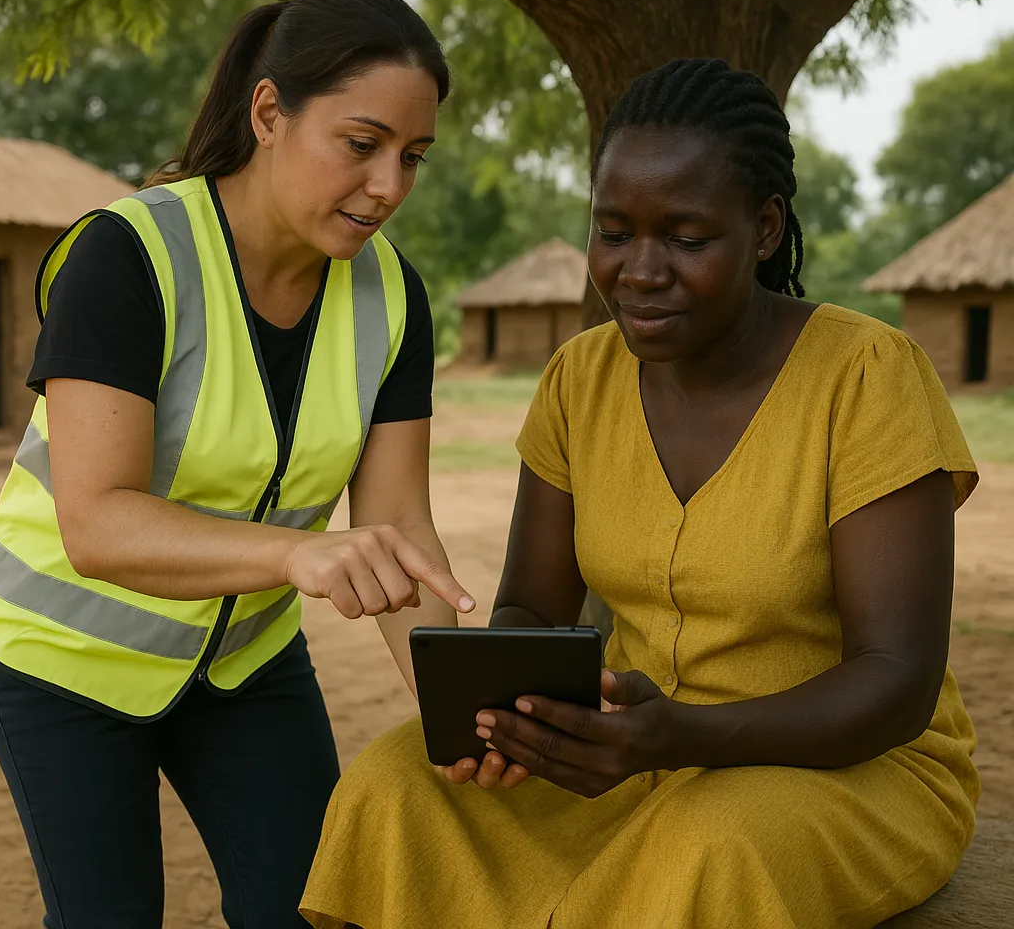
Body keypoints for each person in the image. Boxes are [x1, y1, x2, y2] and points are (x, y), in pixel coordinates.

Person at [299, 58, 980, 929]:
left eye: (687, 239)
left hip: (846, 768)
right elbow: (535, 613)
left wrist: (683, 738)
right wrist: (519, 719)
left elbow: (897, 682)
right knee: (392, 787)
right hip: (629, 751)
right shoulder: (580, 377)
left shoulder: (867, 376)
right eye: (614, 233)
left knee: (708, 847)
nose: (639, 271)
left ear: (765, 229)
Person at [0, 0, 476, 929]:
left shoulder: (393, 298)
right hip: (65, 661)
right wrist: (297, 555)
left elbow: (398, 528)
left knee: (307, 911)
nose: (389, 188)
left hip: (244, 665)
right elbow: (95, 522)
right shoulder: (128, 256)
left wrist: (459, 710)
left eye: (412, 158)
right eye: (362, 144)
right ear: (268, 113)